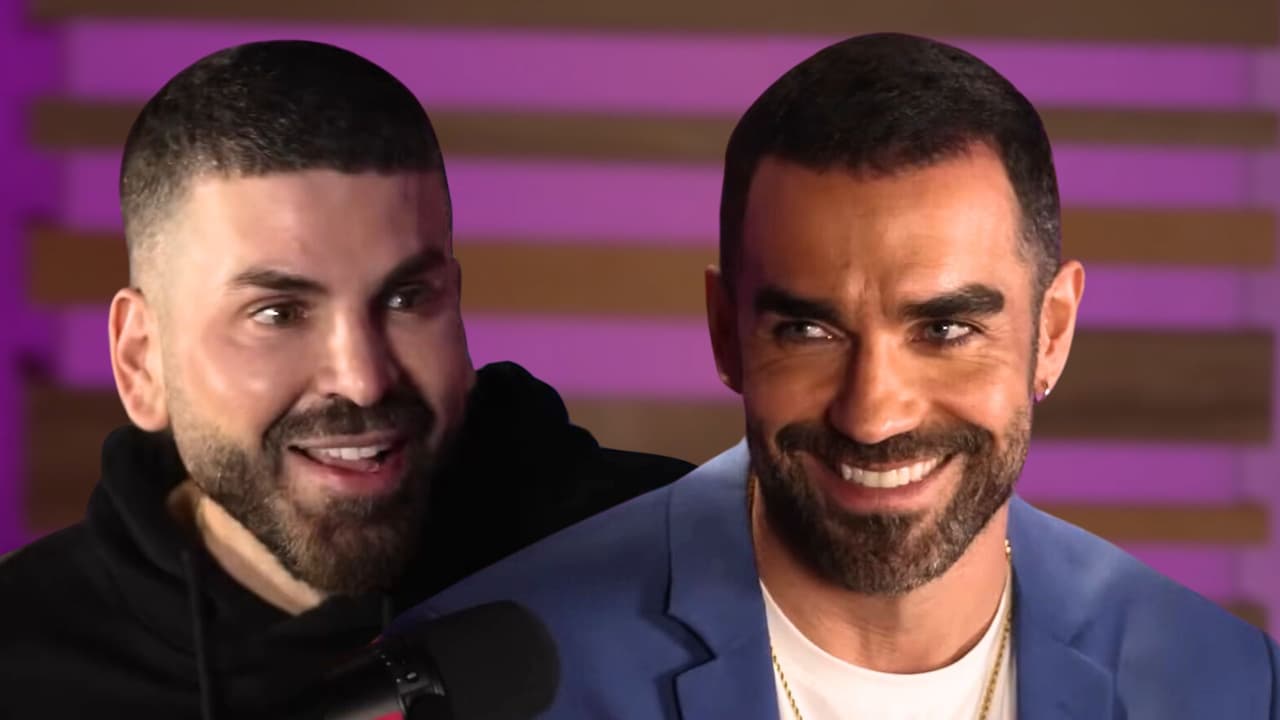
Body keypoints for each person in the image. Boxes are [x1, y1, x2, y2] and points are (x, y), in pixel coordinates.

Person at [408, 32, 1280, 719]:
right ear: (726, 333)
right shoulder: (483, 685)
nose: (872, 414)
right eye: (809, 330)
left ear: (1050, 334)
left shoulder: (1230, 686)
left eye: (945, 329)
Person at [0, 41, 692, 719]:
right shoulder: (22, 663)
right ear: (141, 361)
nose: (362, 381)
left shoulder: (690, 564)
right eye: (278, 313)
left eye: (406, 299)